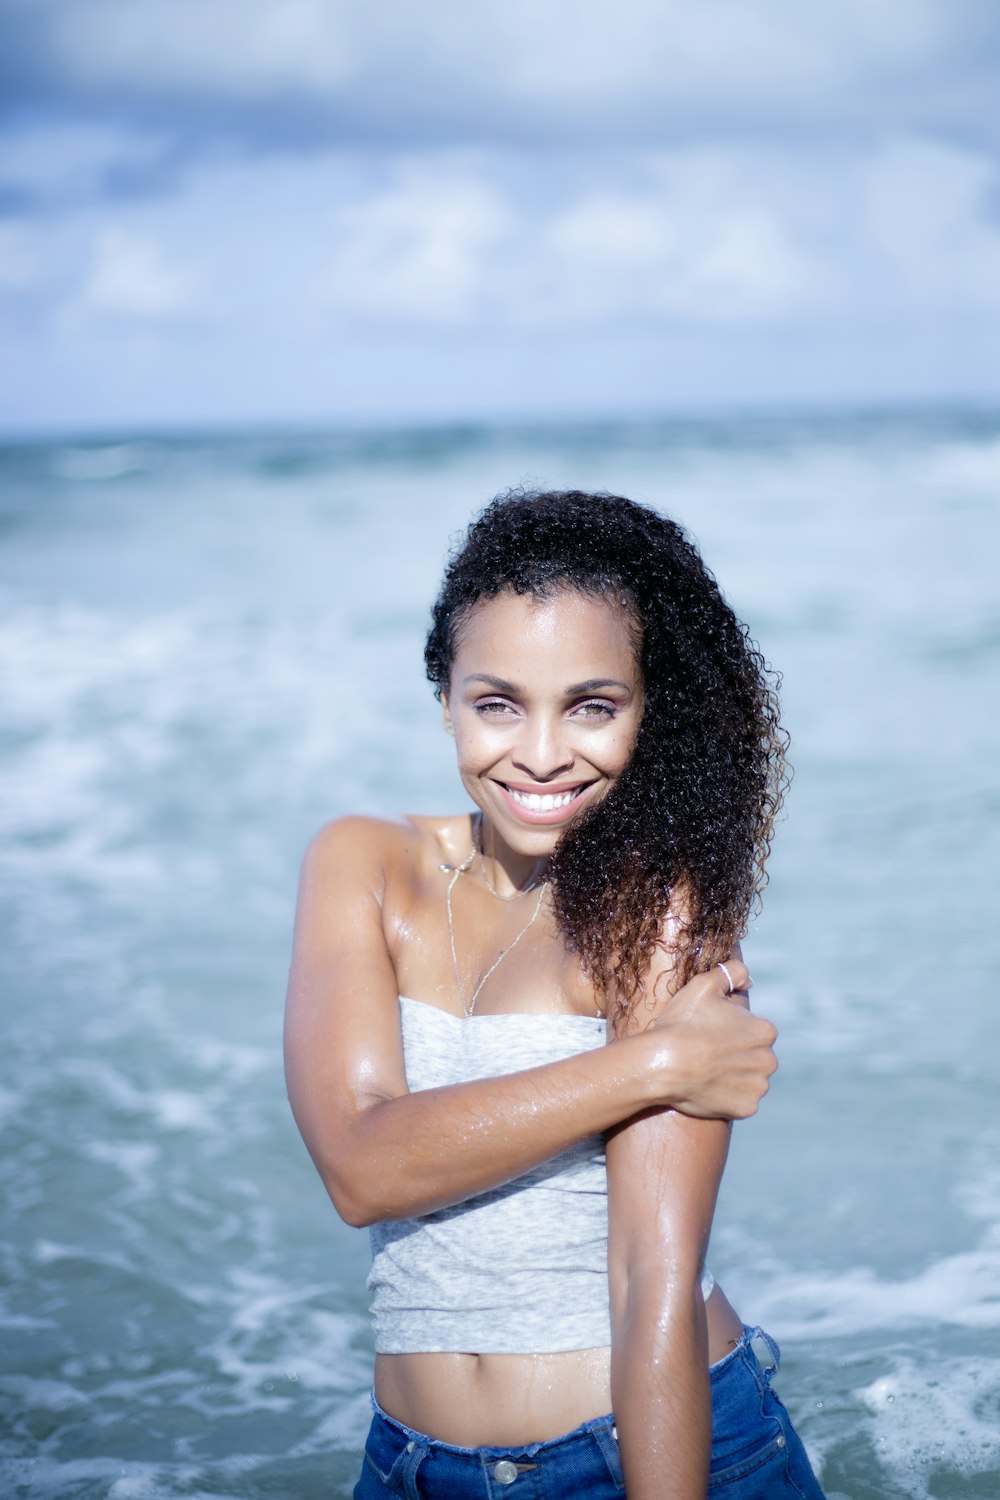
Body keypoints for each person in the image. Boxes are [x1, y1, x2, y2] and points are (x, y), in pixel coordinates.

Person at [285, 489, 826, 1499]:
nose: (538, 755)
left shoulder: (658, 912)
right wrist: (651, 1063)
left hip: (637, 1451)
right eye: (496, 703)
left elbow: (650, 1286)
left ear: (647, 709)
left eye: (591, 705)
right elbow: (361, 1167)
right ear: (443, 695)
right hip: (405, 1467)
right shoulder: (361, 864)